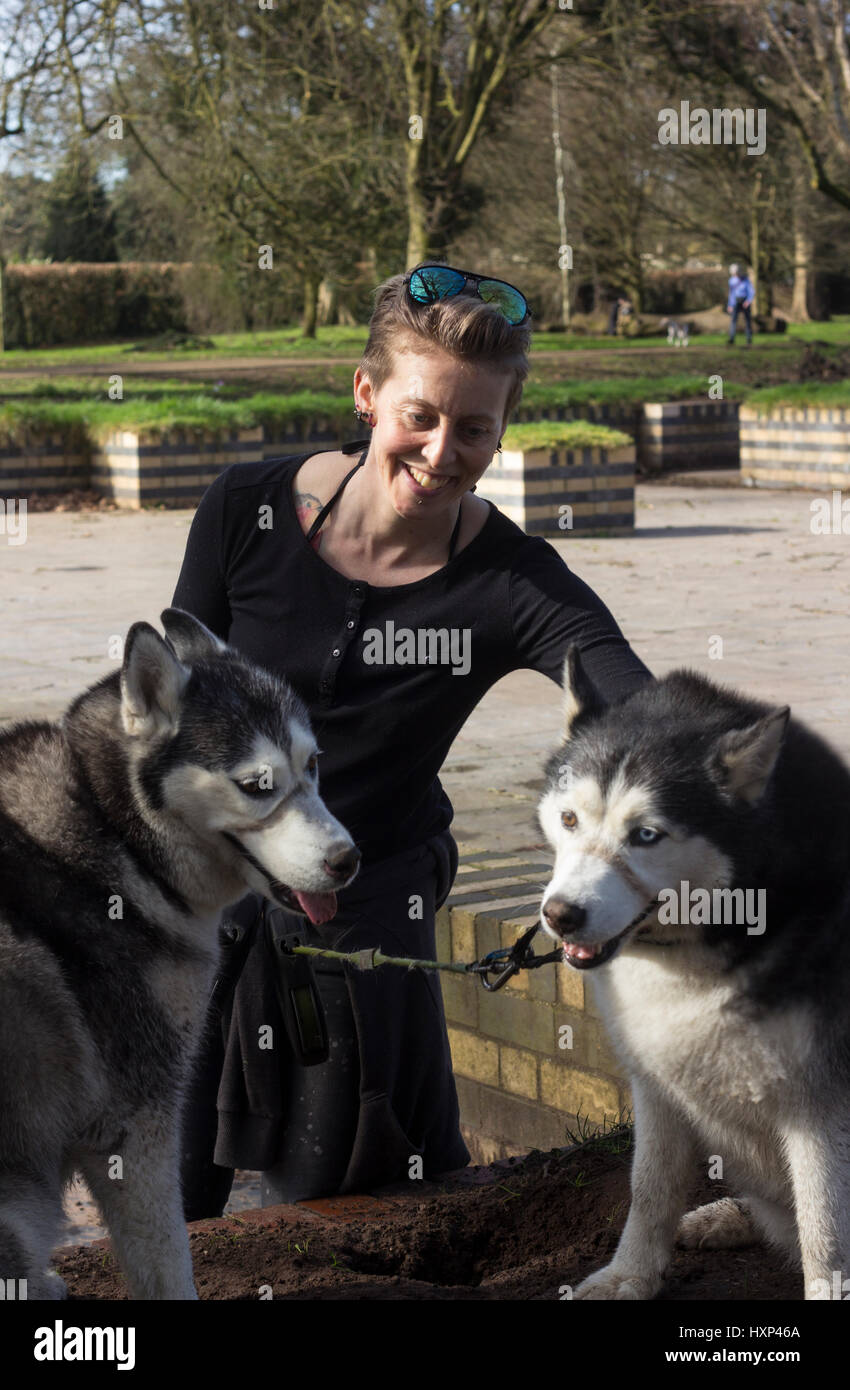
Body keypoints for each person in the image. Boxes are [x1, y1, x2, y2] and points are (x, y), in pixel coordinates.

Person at [173, 261, 654, 1219]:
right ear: (366, 394)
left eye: (476, 428)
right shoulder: (242, 511)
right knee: (165, 1175)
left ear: (504, 427)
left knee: (358, 1200)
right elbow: (169, 716)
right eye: (421, 416)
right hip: (209, 885)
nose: (442, 453)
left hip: (370, 890)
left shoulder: (514, 581)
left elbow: (643, 719)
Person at [727, 263, 755, 345]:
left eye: (736, 272)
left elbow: (751, 291)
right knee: (733, 321)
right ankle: (731, 338)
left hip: (745, 302)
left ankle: (749, 339)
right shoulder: (731, 281)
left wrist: (748, 301)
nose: (736, 274)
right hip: (735, 302)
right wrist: (730, 305)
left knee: (747, 321)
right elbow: (731, 293)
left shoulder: (746, 280)